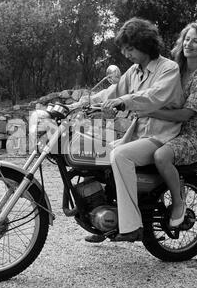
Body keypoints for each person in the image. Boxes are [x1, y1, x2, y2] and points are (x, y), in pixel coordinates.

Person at [69, 17, 184, 243]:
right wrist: (79, 103)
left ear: (145, 44)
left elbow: (154, 97)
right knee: (96, 153)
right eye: (123, 49)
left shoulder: (168, 69)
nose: (126, 53)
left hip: (161, 135)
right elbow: (113, 91)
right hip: (139, 133)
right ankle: (102, 221)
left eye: (130, 48)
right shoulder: (133, 71)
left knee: (120, 155)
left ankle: (131, 226)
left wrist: (123, 102)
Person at [137, 22, 197, 228]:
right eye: (187, 39)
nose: (188, 44)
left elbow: (186, 114)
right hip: (165, 130)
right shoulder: (175, 70)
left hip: (191, 137)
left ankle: (178, 203)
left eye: (195, 41)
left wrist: (150, 110)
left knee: (161, 156)